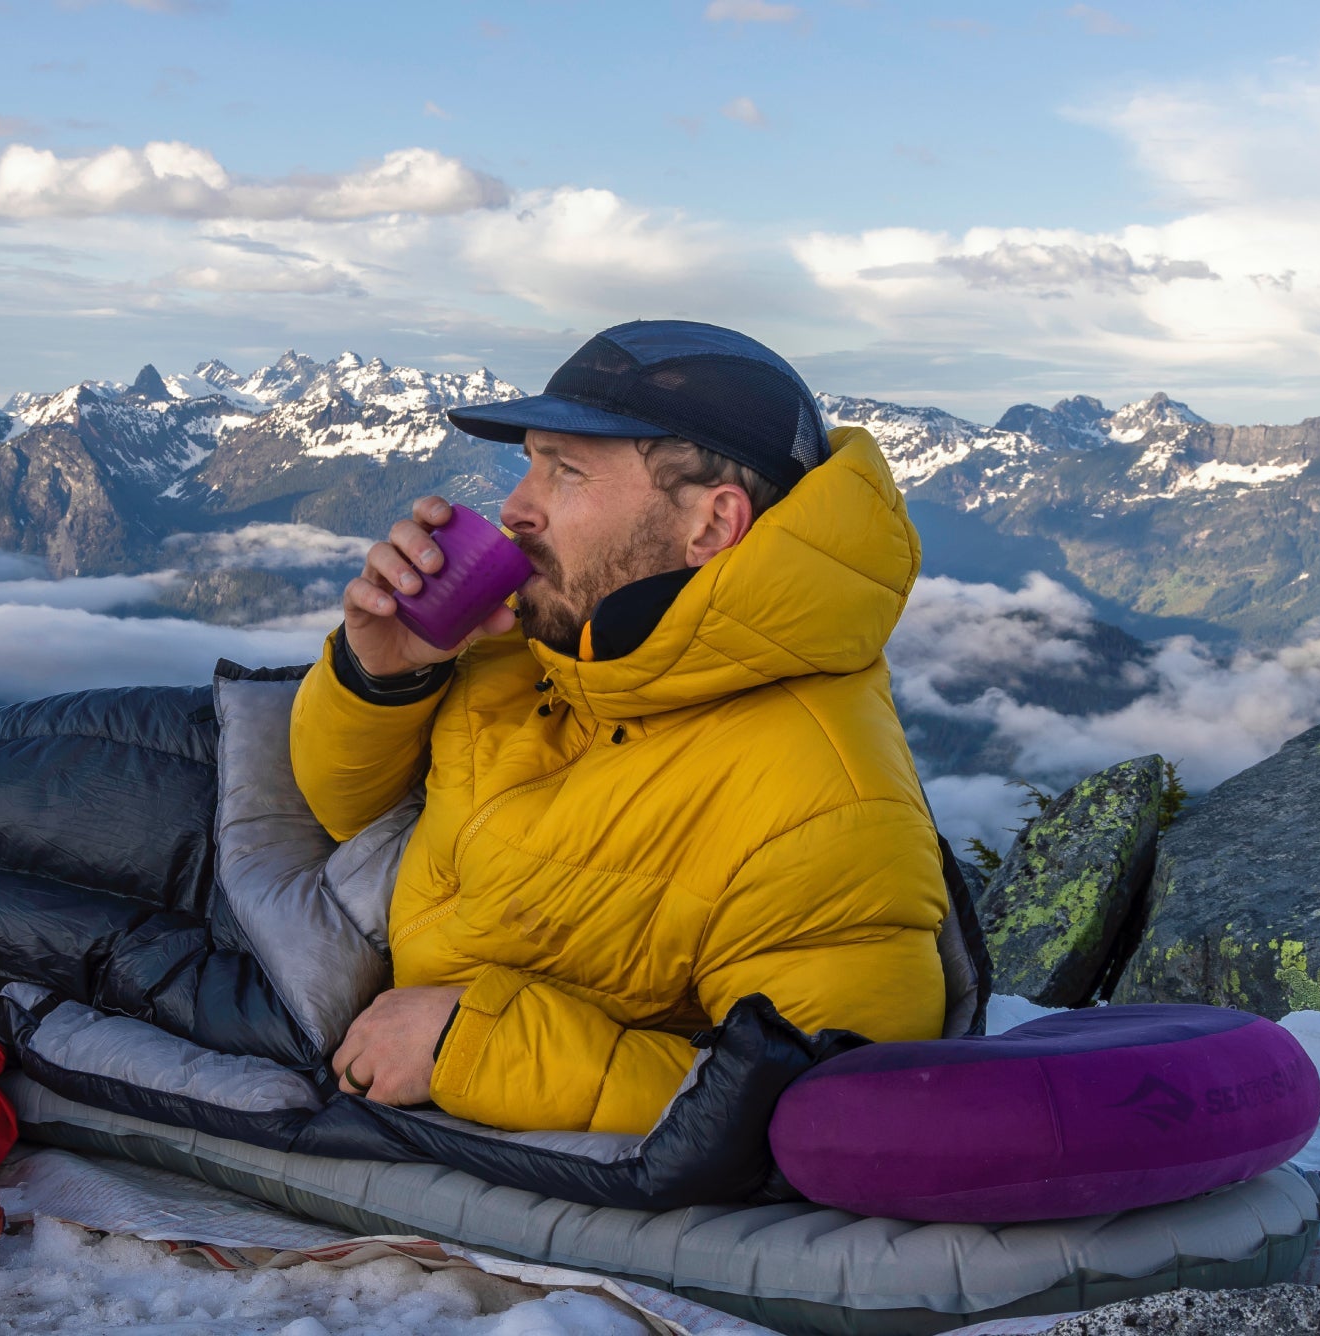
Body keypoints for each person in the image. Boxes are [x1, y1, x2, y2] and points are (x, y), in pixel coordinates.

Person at [290, 320, 949, 1135]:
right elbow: (343, 811)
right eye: (528, 461)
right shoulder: (539, 638)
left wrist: (474, 1045)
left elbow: (828, 1113)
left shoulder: (824, 807)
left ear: (711, 526)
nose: (515, 509)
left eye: (564, 471)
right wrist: (385, 674)